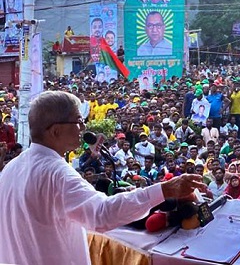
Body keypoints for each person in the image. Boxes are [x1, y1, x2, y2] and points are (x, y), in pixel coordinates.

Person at [0, 91, 206, 265]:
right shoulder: (57, 174)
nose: (83, 128)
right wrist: (165, 190)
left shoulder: (10, 169)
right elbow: (103, 214)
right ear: (56, 130)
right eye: (78, 121)